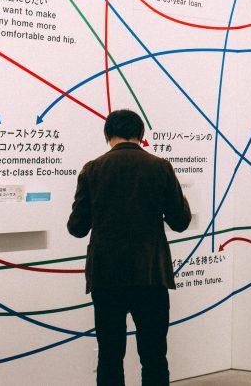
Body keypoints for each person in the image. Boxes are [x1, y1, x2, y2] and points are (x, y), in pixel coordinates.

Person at [68, 109, 191, 386]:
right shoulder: (160, 167)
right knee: (154, 355)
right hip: (151, 274)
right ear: (141, 135)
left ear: (107, 135)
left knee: (110, 356)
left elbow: (76, 228)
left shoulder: (92, 169)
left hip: (106, 277)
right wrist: (179, 196)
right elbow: (181, 222)